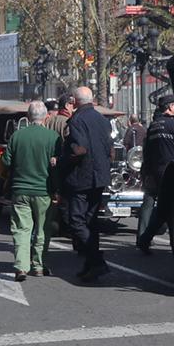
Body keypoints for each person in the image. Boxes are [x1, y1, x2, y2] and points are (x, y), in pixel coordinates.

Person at [60, 85, 113, 282]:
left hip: (82, 177)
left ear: (74, 101)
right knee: (91, 221)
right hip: (99, 177)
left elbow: (79, 149)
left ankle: (97, 261)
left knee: (76, 221)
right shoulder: (102, 119)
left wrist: (63, 160)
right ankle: (91, 265)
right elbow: (110, 148)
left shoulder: (77, 120)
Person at [6, 101, 60, 280]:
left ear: (28, 118)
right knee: (42, 229)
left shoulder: (17, 136)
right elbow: (57, 167)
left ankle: (21, 266)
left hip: (20, 189)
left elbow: (6, 162)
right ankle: (38, 265)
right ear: (46, 117)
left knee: (22, 229)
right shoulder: (53, 137)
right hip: (43, 190)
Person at [136, 96, 174, 254]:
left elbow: (147, 151)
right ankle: (146, 239)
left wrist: (146, 171)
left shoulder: (153, 126)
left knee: (155, 206)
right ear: (169, 107)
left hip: (154, 171)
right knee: (167, 208)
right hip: (170, 171)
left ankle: (144, 238)